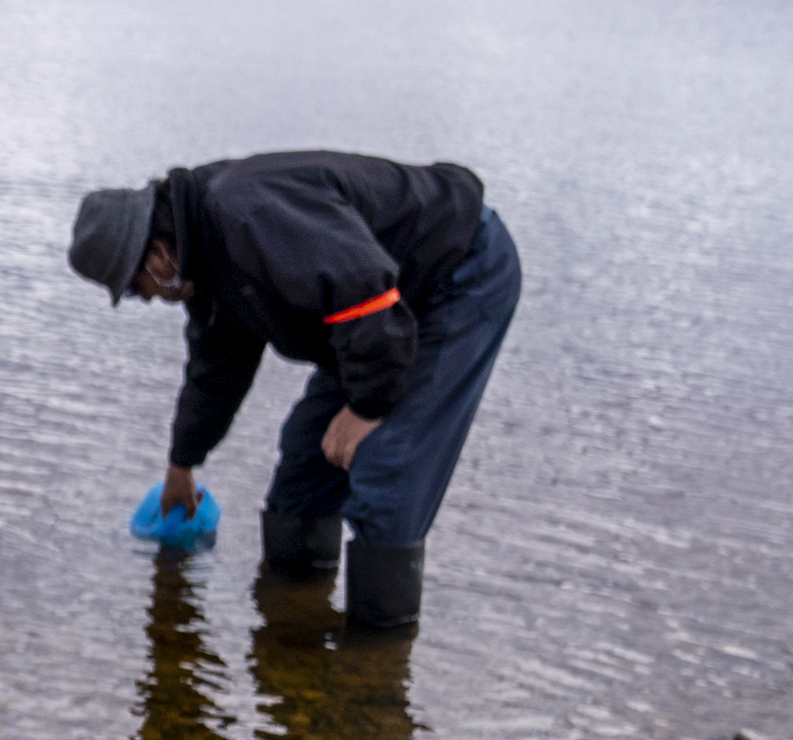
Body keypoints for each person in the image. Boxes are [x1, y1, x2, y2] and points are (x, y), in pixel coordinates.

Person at [66, 153, 520, 631]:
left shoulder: (249, 214)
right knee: (305, 465)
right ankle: (291, 632)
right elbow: (214, 374)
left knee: (387, 467)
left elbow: (364, 287)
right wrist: (183, 464)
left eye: (139, 289)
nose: (150, 299)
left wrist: (368, 407)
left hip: (452, 275)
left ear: (156, 255)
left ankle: (374, 664)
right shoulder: (205, 266)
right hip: (372, 321)